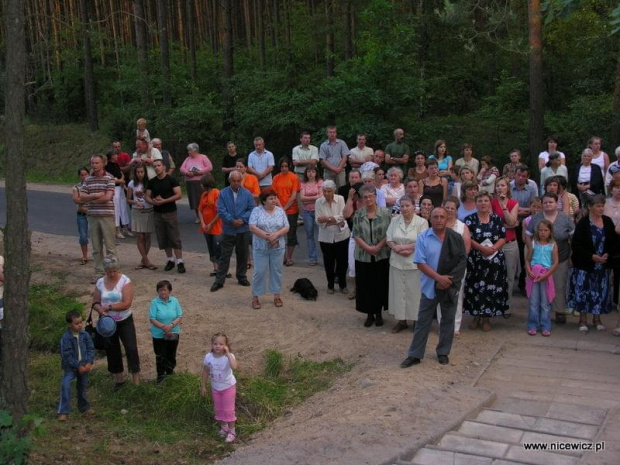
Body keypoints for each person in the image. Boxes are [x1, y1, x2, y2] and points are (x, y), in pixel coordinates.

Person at [400, 207, 467, 368]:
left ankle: (443, 352)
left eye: (442, 217)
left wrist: (448, 281)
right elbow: (420, 263)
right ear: (430, 218)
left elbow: (461, 261)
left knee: (448, 320)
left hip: (449, 286)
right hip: (430, 287)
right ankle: (415, 354)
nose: (438, 220)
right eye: (435, 217)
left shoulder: (456, 238)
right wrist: (438, 278)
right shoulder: (423, 238)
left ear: (447, 218)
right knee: (423, 321)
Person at [569, 194, 618, 333]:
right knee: (583, 291)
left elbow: (613, 241)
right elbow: (577, 245)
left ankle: (597, 319)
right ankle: (583, 319)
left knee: (599, 292)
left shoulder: (608, 221)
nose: (601, 209)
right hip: (585, 265)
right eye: (598, 206)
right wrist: (591, 256)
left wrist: (608, 254)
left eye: (603, 206)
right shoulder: (583, 223)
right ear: (590, 207)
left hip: (602, 265)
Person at [91, 255, 140, 390]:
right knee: (112, 350)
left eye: (114, 271)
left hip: (124, 320)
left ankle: (136, 379)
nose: (112, 274)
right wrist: (99, 309)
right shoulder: (100, 282)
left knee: (131, 348)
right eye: (109, 271)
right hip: (107, 323)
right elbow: (95, 301)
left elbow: (127, 303)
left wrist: (110, 307)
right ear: (105, 271)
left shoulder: (125, 281)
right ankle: (119, 379)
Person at [525, 193, 575, 325]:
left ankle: (559, 310)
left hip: (561, 257)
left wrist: (572, 254)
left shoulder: (565, 218)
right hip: (538, 259)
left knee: (559, 284)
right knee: (539, 287)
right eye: (545, 202)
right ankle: (541, 311)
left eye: (551, 202)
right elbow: (528, 235)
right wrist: (531, 250)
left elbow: (572, 237)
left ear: (556, 203)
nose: (548, 204)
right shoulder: (536, 218)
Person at [464, 191, 509, 331]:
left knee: (491, 289)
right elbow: (467, 238)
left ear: (490, 203)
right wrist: (481, 248)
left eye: (485, 201)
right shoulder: (469, 219)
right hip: (476, 260)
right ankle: (475, 316)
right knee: (475, 288)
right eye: (480, 201)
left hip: (494, 260)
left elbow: (503, 237)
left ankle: (486, 318)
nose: (483, 203)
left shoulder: (497, 219)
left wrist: (494, 248)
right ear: (475, 203)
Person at [386, 195, 429, 333]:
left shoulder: (422, 222)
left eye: (407, 206)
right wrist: (396, 248)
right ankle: (401, 321)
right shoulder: (394, 220)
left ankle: (416, 320)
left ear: (413, 206)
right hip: (397, 262)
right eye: (402, 206)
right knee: (398, 292)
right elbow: (389, 238)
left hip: (414, 263)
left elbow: (422, 241)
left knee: (414, 293)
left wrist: (405, 248)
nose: (404, 209)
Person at [353, 185, 391, 327]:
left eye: (371, 196)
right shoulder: (358, 214)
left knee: (379, 284)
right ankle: (369, 313)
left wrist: (379, 247)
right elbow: (356, 234)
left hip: (381, 255)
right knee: (366, 285)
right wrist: (368, 248)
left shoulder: (386, 213)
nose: (368, 199)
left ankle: (379, 313)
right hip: (363, 255)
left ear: (376, 197)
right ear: (362, 199)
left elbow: (389, 233)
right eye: (365, 196)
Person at [211, 171, 255, 292]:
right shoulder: (223, 193)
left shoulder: (247, 193)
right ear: (230, 181)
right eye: (234, 180)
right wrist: (231, 220)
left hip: (243, 229)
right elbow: (221, 209)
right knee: (225, 256)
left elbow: (252, 209)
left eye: (238, 181)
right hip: (229, 229)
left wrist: (243, 219)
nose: (236, 183)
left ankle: (241, 277)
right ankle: (219, 280)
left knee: (243, 254)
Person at [436, 196, 472, 336]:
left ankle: (455, 327)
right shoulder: (438, 225)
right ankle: (441, 325)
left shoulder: (462, 227)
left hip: (457, 267)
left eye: (452, 208)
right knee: (440, 296)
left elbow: (466, 249)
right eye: (447, 207)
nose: (449, 210)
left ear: (456, 210)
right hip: (439, 267)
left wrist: (457, 265)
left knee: (456, 296)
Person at [249, 190, 290, 309]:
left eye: (275, 198)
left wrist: (275, 235)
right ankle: (255, 297)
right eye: (271, 199)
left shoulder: (280, 211)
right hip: (260, 247)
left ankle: (277, 295)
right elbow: (252, 227)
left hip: (278, 247)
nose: (274, 201)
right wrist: (268, 237)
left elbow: (286, 226)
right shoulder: (256, 211)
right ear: (263, 201)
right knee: (259, 272)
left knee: (277, 271)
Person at [80, 154, 117, 283]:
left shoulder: (109, 178)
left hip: (106, 215)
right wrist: (96, 195)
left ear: (103, 163)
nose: (94, 165)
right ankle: (99, 273)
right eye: (92, 163)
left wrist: (90, 198)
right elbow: (82, 196)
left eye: (97, 163)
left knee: (110, 246)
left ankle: (113, 272)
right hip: (93, 216)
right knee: (96, 247)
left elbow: (108, 197)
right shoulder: (88, 180)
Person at [145, 160, 185, 273]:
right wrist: (153, 202)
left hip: (170, 211)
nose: (157, 168)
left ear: (164, 167)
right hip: (157, 212)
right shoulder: (152, 181)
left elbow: (179, 194)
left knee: (174, 237)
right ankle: (170, 260)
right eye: (155, 166)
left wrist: (165, 201)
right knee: (163, 237)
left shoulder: (171, 180)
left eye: (158, 166)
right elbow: (147, 196)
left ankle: (180, 261)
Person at [57, 310, 95, 421]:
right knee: (66, 385)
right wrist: (77, 365)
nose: (80, 325)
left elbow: (90, 349)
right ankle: (63, 411)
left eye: (81, 322)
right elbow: (66, 355)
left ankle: (83, 406)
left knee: (82, 387)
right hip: (71, 368)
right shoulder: (65, 338)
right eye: (76, 323)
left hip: (84, 366)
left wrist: (89, 362)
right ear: (69, 324)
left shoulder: (85, 335)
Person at [201, 333, 238, 444]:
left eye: (221, 344)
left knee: (228, 410)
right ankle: (224, 427)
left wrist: (227, 353)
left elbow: (234, 366)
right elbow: (205, 371)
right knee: (219, 409)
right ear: (212, 345)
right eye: (215, 343)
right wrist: (203, 385)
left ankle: (232, 431)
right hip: (215, 388)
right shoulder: (208, 357)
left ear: (226, 345)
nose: (218, 346)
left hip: (228, 388)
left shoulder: (229, 357)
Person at [315, 180, 350, 294]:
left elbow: (343, 216)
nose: (326, 194)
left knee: (342, 262)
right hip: (325, 238)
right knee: (328, 262)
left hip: (342, 236)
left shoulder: (340, 199)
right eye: (324, 191)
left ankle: (343, 285)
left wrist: (328, 219)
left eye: (329, 191)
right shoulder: (318, 202)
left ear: (333, 190)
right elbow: (319, 221)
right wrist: (335, 220)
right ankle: (330, 285)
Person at [525, 220, 559, 336]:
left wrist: (546, 274)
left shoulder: (553, 245)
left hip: (546, 275)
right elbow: (527, 259)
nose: (543, 233)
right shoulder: (533, 243)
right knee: (533, 301)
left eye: (546, 230)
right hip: (534, 275)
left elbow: (555, 262)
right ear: (537, 231)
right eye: (540, 230)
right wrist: (529, 271)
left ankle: (545, 325)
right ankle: (533, 325)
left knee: (545, 302)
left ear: (550, 231)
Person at [492, 176, 520, 309]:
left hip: (510, 244)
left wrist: (503, 207)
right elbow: (491, 224)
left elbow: (511, 222)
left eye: (502, 185)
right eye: (498, 185)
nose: (500, 188)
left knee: (509, 276)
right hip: (495, 244)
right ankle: (494, 304)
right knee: (494, 275)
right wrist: (507, 225)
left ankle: (507, 305)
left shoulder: (513, 203)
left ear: (508, 188)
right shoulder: (490, 202)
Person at [149, 280, 183, 383]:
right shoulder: (154, 302)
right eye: (160, 290)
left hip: (173, 333)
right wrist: (164, 327)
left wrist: (171, 326)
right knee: (160, 356)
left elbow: (179, 316)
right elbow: (152, 318)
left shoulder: (175, 301)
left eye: (165, 290)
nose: (163, 292)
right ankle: (160, 377)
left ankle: (170, 373)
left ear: (169, 291)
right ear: (157, 291)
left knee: (171, 354)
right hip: (158, 335)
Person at [126, 163, 156, 270]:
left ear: (145, 172)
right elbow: (128, 199)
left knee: (147, 236)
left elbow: (153, 196)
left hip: (148, 210)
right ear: (135, 173)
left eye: (142, 172)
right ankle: (146, 260)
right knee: (140, 237)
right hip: (137, 211)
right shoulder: (131, 184)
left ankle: (144, 260)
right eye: (138, 172)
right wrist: (135, 202)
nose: (140, 174)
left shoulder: (149, 183)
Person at [272, 157, 301, 266]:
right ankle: (282, 257)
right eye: (282, 166)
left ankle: (289, 257)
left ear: (289, 166)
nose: (284, 168)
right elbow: (274, 195)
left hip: (292, 210)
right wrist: (280, 208)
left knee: (291, 234)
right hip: (278, 209)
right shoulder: (276, 178)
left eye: (286, 166)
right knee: (278, 234)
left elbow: (294, 195)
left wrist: (284, 209)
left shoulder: (294, 177)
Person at [180, 143, 213, 223]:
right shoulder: (188, 159)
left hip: (202, 181)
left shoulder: (203, 157)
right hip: (191, 182)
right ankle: (198, 216)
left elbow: (210, 167)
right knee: (194, 200)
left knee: (203, 199)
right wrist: (188, 173)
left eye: (189, 150)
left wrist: (200, 172)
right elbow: (181, 168)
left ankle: (207, 215)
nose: (188, 152)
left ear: (194, 150)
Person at [197, 174, 223, 276]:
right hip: (206, 226)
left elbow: (219, 211)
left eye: (201, 183)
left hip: (216, 226)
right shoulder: (203, 195)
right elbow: (200, 210)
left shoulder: (217, 193)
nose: (200, 185)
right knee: (210, 247)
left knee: (218, 247)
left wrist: (211, 224)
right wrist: (203, 223)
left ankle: (222, 269)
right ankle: (215, 268)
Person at [105, 149, 131, 240]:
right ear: (111, 156)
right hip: (114, 188)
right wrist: (119, 180)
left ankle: (125, 226)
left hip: (120, 187)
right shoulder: (107, 166)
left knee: (123, 207)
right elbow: (109, 177)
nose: (117, 156)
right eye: (115, 155)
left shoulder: (116, 165)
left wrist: (123, 183)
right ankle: (117, 229)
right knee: (116, 208)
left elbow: (121, 174)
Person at [300, 166, 323, 265]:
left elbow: (321, 197)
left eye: (313, 171)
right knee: (310, 235)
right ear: (306, 173)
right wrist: (315, 197)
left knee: (321, 235)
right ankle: (313, 258)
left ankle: (324, 257)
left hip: (318, 211)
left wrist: (308, 198)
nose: (311, 173)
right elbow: (302, 198)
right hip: (307, 212)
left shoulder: (320, 182)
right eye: (309, 171)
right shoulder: (303, 183)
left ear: (316, 173)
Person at [604, 176, 620, 313]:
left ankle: (617, 300)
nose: (619, 191)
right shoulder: (605, 203)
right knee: (605, 272)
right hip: (606, 241)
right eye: (616, 187)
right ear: (611, 189)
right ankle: (605, 299)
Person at [73, 167, 90, 265]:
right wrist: (89, 199)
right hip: (82, 214)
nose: (84, 177)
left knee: (97, 235)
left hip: (92, 213)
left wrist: (83, 199)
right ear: (79, 176)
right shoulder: (76, 187)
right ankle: (85, 256)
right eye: (82, 175)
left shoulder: (92, 186)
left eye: (85, 174)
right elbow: (76, 200)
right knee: (83, 236)